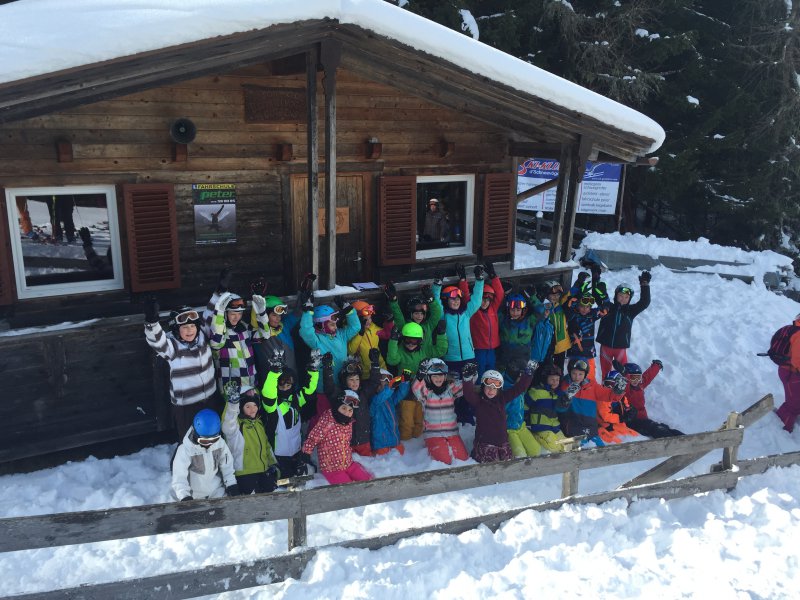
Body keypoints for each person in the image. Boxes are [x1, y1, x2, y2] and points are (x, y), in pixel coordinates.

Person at [143, 298, 218, 438]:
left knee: (212, 435)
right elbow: (156, 341)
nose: (190, 330)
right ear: (176, 329)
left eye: (192, 326)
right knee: (189, 440)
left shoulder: (203, 337)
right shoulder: (172, 347)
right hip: (187, 406)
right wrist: (152, 322)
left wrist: (220, 291)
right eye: (184, 327)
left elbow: (211, 313)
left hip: (210, 399)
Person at [436, 264, 486, 424]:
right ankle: (456, 415)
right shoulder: (443, 315)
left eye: (458, 298)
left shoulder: (466, 313)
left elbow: (477, 300)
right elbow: (435, 303)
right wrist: (437, 285)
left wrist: (479, 280)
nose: (456, 301)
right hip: (451, 359)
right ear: (446, 300)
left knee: (468, 388)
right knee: (454, 389)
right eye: (452, 299)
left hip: (469, 357)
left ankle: (468, 415)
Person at [261, 349, 321, 477]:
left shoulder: (296, 399)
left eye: (288, 386)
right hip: (279, 454)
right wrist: (274, 373)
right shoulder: (272, 405)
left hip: (296, 450)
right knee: (284, 477)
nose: (285, 388)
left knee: (303, 474)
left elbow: (309, 389)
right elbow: (268, 393)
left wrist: (313, 370)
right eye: (281, 386)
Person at [462, 360, 536, 462]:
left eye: (494, 388)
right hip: (485, 444)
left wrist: (528, 374)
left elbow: (519, 388)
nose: (491, 390)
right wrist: (467, 379)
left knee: (506, 465)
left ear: (499, 389)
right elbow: (468, 393)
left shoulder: (502, 399)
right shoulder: (479, 401)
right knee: (493, 466)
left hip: (502, 443)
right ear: (483, 386)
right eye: (488, 387)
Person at [386, 320, 448, 440]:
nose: (410, 344)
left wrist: (441, 334)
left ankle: (417, 440)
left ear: (420, 341)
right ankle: (406, 440)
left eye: (414, 341)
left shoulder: (424, 350)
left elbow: (440, 350)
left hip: (421, 390)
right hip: (406, 390)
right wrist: (393, 341)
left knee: (419, 417)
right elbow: (392, 360)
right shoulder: (400, 351)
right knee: (407, 418)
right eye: (407, 340)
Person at [301, 390, 374, 485]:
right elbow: (314, 437)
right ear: (337, 407)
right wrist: (306, 452)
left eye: (350, 410)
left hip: (348, 463)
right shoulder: (327, 421)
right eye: (344, 408)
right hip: (332, 468)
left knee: (368, 480)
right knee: (349, 487)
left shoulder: (348, 422)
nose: (346, 413)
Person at [221, 382, 279, 494]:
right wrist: (232, 404)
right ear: (240, 408)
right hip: (245, 474)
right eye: (247, 406)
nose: (252, 409)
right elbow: (228, 422)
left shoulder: (258, 423)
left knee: (270, 500)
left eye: (255, 405)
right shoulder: (236, 426)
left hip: (263, 471)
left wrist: (273, 464)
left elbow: (266, 446)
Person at [171, 409, 239, 501]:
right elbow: (179, 477)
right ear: (196, 434)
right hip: (194, 497)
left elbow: (227, 466)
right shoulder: (185, 450)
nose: (209, 444)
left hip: (217, 492)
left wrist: (231, 484)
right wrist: (184, 496)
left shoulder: (220, 444)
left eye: (214, 440)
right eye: (204, 441)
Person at [411, 358, 468, 464]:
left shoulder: (450, 390)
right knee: (444, 461)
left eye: (441, 375)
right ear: (428, 377)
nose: (439, 378)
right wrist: (420, 376)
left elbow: (466, 387)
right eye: (435, 376)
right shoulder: (426, 394)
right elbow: (416, 389)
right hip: (433, 434)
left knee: (463, 459)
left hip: (452, 432)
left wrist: (470, 376)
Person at [596, 271, 651, 378]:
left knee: (624, 374)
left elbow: (645, 302)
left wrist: (644, 285)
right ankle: (605, 388)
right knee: (606, 374)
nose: (623, 299)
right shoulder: (608, 307)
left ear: (629, 299)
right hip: (605, 347)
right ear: (616, 295)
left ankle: (622, 389)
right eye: (620, 296)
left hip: (620, 349)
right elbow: (597, 294)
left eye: (626, 297)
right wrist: (596, 276)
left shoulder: (631, 311)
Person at [299, 291, 361, 383]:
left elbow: (355, 327)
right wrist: (308, 312)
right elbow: (306, 331)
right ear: (321, 325)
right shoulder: (316, 340)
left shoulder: (341, 335)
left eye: (335, 323)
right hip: (325, 385)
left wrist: (349, 311)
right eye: (332, 324)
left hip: (342, 382)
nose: (336, 327)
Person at [614, 360, 684, 438]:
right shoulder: (625, 390)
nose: (636, 381)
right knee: (656, 429)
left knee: (666, 429)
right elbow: (625, 384)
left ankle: (687, 439)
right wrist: (624, 374)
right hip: (633, 421)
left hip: (644, 419)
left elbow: (648, 376)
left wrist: (656, 366)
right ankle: (675, 442)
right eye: (633, 378)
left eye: (638, 378)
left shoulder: (639, 386)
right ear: (627, 378)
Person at [459, 261, 505, 377]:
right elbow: (465, 295)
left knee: (491, 372)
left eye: (487, 300)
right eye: (482, 299)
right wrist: (463, 279)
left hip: (492, 349)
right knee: (479, 373)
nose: (484, 302)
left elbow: (500, 293)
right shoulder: (473, 311)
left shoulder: (493, 309)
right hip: (478, 349)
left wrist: (493, 276)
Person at [340, 350, 381, 456]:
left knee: (367, 463)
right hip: (348, 442)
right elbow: (329, 389)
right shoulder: (341, 396)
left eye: (357, 379)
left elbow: (374, 382)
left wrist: (375, 364)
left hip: (364, 440)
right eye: (351, 380)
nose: (355, 382)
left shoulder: (363, 393)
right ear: (345, 381)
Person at [556, 359, 606, 447]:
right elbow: (559, 409)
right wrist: (566, 399)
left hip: (591, 430)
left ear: (585, 375)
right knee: (582, 450)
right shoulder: (564, 386)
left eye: (580, 374)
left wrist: (618, 392)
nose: (577, 377)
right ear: (570, 372)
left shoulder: (591, 386)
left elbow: (608, 395)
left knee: (602, 449)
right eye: (574, 373)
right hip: (573, 430)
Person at [503, 359, 543, 458]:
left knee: (536, 450)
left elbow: (524, 386)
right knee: (520, 454)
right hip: (509, 429)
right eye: (521, 377)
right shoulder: (505, 391)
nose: (523, 381)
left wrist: (529, 375)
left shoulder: (519, 387)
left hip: (521, 426)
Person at [565, 289, 606, 383]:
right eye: (582, 306)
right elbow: (568, 306)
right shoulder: (572, 316)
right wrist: (576, 296)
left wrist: (604, 296)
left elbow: (605, 307)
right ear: (577, 306)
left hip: (589, 353)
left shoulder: (592, 315)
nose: (585, 309)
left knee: (590, 378)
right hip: (575, 353)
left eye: (587, 307)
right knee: (574, 378)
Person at [525, 364, 567, 452]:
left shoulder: (558, 394)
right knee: (555, 447)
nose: (555, 382)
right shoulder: (536, 392)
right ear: (545, 379)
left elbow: (561, 409)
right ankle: (535, 436)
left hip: (555, 427)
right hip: (541, 428)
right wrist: (526, 422)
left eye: (557, 380)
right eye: (552, 379)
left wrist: (566, 400)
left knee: (567, 446)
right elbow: (525, 407)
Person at [370, 369, 412, 455]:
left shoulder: (390, 399)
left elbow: (401, 394)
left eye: (388, 380)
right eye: (384, 379)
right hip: (380, 443)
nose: (386, 383)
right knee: (384, 460)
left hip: (394, 440)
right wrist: (390, 388)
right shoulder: (373, 401)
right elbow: (380, 398)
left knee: (401, 457)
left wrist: (405, 382)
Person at [347, 300, 391, 378]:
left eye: (370, 318)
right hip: (365, 373)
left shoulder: (373, 328)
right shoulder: (351, 332)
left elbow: (387, 335)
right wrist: (360, 333)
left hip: (381, 368)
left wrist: (389, 321)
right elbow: (351, 351)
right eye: (365, 319)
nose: (369, 321)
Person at [596, 370, 640, 444]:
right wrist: (621, 418)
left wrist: (630, 411)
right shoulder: (603, 398)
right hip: (606, 427)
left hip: (620, 425)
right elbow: (605, 416)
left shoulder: (621, 397)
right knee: (620, 443)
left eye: (612, 384)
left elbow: (626, 407)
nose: (609, 387)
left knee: (636, 437)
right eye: (607, 384)